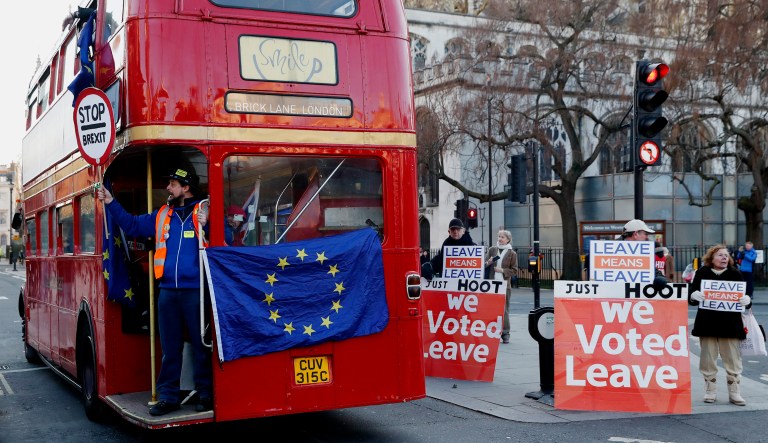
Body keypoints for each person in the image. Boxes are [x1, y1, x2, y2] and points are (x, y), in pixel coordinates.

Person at [96, 167, 213, 416]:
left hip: (196, 291)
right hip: (167, 292)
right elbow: (133, 226)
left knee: (202, 346)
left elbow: (226, 239)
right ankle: (168, 397)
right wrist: (110, 202)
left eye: (172, 184)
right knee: (170, 349)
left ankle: (206, 393)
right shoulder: (162, 214)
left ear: (186, 187)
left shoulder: (204, 210)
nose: (168, 189)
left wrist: (210, 224)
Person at [688, 244, 751, 406]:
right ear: (711, 258)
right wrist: (694, 295)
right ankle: (710, 390)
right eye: (720, 255)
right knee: (708, 358)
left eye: (726, 255)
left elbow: (745, 296)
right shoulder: (702, 273)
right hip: (707, 322)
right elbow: (691, 297)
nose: (724, 257)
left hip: (730, 324)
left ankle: (734, 392)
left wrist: (747, 301)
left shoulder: (735, 273)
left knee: (732, 359)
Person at [484, 230, 518, 344]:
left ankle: (505, 333)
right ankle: (491, 332)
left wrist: (502, 270)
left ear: (508, 239)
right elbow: (483, 264)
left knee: (504, 310)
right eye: (499, 236)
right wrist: (487, 263)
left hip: (505, 285)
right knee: (490, 309)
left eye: (502, 237)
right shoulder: (492, 250)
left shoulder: (512, 253)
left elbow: (514, 270)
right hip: (491, 283)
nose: (500, 239)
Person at [620, 219, 669, 289]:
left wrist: (659, 278)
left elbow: (653, 270)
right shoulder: (611, 251)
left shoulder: (643, 253)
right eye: (645, 234)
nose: (647, 237)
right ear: (635, 234)